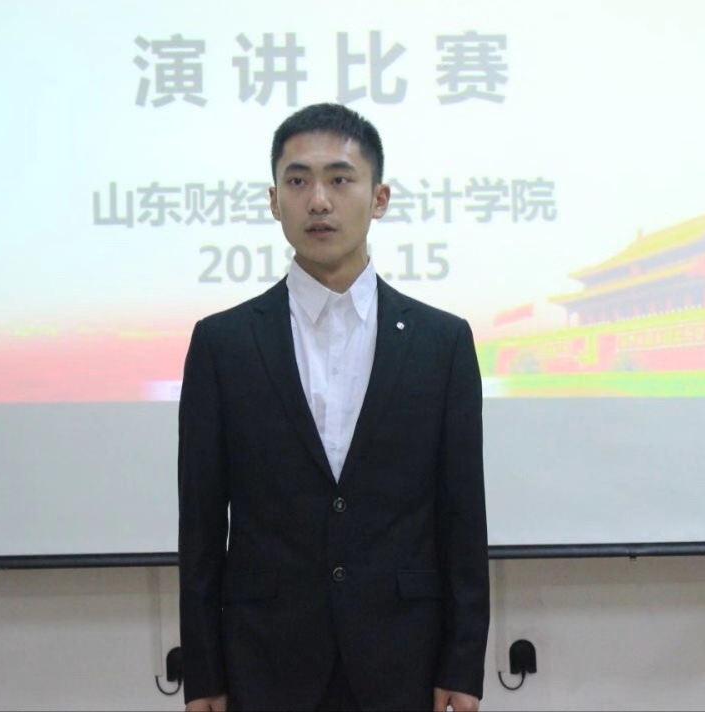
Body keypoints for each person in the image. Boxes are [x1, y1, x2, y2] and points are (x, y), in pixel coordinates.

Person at [177, 102, 490, 712]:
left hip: (404, 657)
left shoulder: (442, 343)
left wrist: (463, 661)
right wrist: (204, 672)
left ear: (379, 198)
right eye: (297, 181)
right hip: (265, 659)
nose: (318, 201)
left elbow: (462, 517)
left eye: (340, 179)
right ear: (275, 201)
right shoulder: (223, 344)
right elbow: (201, 526)